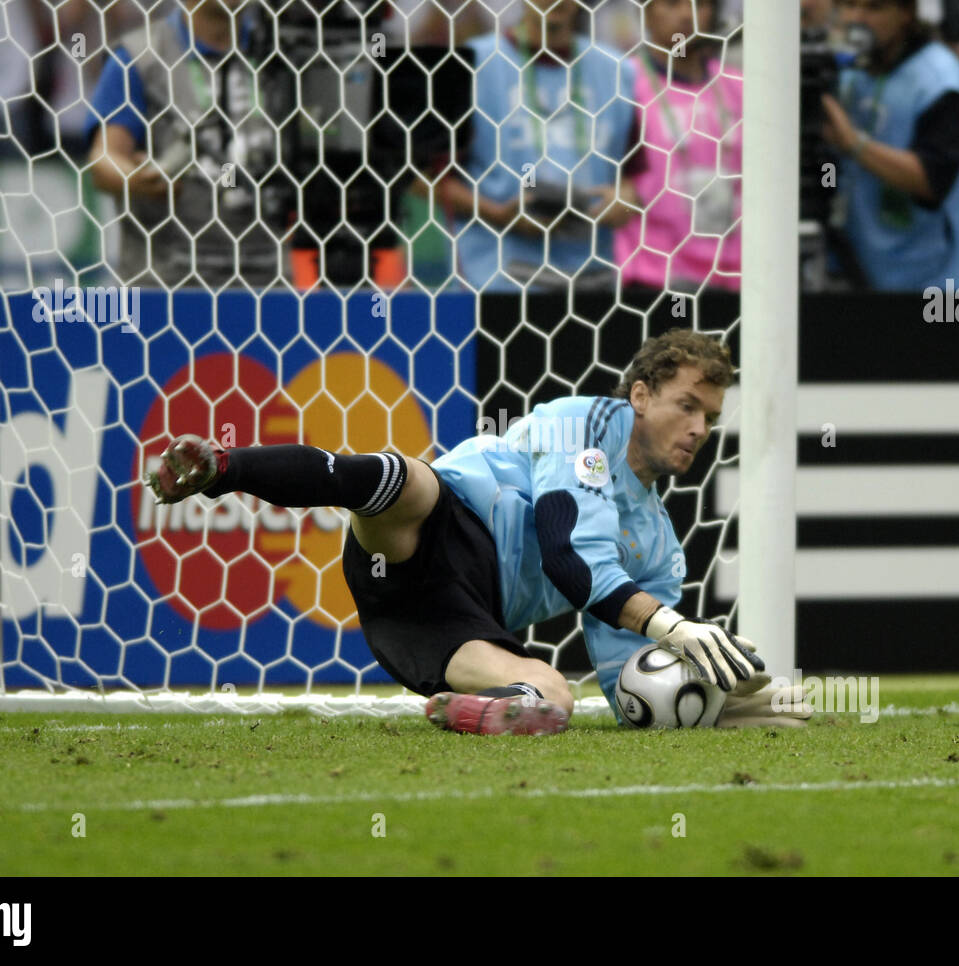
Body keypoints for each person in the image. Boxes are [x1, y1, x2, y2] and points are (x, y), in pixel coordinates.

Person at [142, 329, 811, 734]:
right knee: (405, 481)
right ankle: (221, 466)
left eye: (710, 416)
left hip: (443, 615)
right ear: (640, 396)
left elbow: (621, 680)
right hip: (441, 525)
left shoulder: (660, 548)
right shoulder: (578, 425)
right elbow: (565, 554)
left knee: (550, 698)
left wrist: (708, 701)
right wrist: (674, 627)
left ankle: (472, 710)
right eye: (686, 405)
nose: (698, 428)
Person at [436, 0, 642, 292]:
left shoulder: (617, 70)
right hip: (496, 284)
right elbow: (424, 176)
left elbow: (634, 172)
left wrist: (624, 200)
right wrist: (497, 213)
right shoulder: (471, 62)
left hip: (593, 281)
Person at [85, 0, 281, 288]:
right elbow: (104, 159)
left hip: (273, 275)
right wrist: (137, 177)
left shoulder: (282, 49)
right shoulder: (141, 56)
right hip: (169, 279)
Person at [821, 0, 959, 291]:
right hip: (858, 269)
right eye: (849, 5)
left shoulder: (941, 82)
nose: (858, 18)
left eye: (874, 8)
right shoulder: (850, 69)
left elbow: (931, 181)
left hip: (932, 282)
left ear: (906, 14)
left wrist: (852, 143)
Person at [614, 0, 743, 292]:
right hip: (654, 275)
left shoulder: (740, 86)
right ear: (644, 12)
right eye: (672, 3)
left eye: (700, 4)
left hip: (735, 277)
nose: (687, 15)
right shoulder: (622, 83)